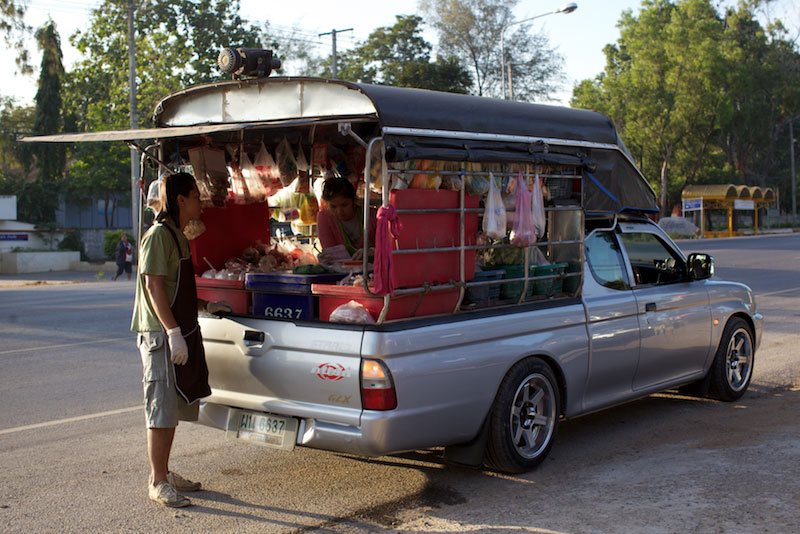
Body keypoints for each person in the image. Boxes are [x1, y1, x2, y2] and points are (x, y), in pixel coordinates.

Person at [130, 172, 232, 508]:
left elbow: (178, 287)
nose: (200, 202)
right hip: (161, 333)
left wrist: (205, 305)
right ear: (180, 200)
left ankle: (165, 472)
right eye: (196, 196)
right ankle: (157, 481)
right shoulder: (158, 235)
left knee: (174, 407)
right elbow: (154, 286)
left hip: (179, 328)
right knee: (161, 408)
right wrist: (173, 332)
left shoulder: (178, 236)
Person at [316, 176, 376, 261]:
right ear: (327, 204)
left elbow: (386, 247)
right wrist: (327, 258)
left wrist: (372, 251)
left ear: (354, 201)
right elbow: (330, 250)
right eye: (333, 206)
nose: (339, 211)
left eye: (344, 205)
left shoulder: (372, 215)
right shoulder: (324, 218)